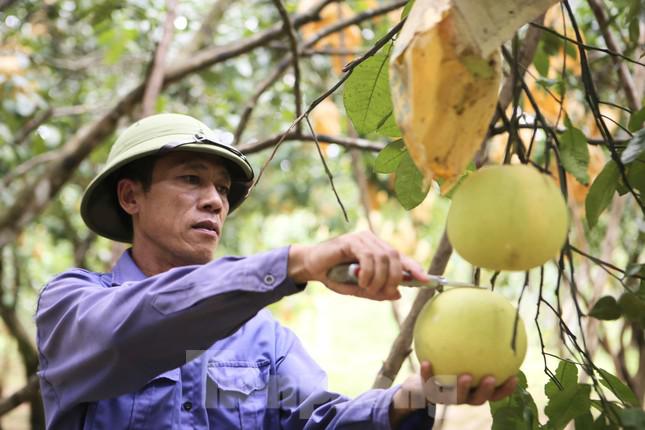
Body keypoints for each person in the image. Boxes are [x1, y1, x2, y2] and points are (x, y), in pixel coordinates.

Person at [36, 113, 517, 429]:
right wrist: (297, 262)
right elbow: (138, 328)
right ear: (130, 197)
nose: (214, 201)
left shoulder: (261, 341)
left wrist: (421, 393)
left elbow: (318, 421)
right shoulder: (71, 306)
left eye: (222, 189)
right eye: (190, 179)